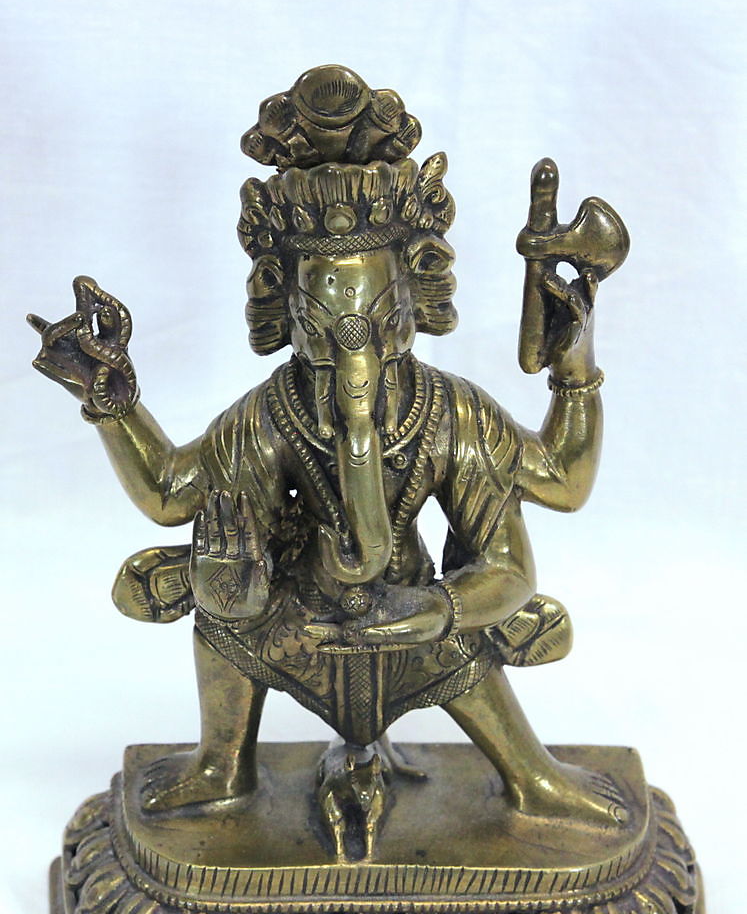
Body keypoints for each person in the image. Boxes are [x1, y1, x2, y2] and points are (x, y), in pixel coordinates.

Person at [30, 65, 626, 828]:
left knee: (467, 648)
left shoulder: (450, 413)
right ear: (286, 310)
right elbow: (172, 495)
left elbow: (554, 499)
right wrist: (114, 404)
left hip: (418, 619)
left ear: (412, 303)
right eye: (322, 323)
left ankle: (529, 773)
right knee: (223, 600)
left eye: (375, 321)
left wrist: (573, 364)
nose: (353, 353)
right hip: (297, 620)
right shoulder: (272, 413)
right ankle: (221, 764)